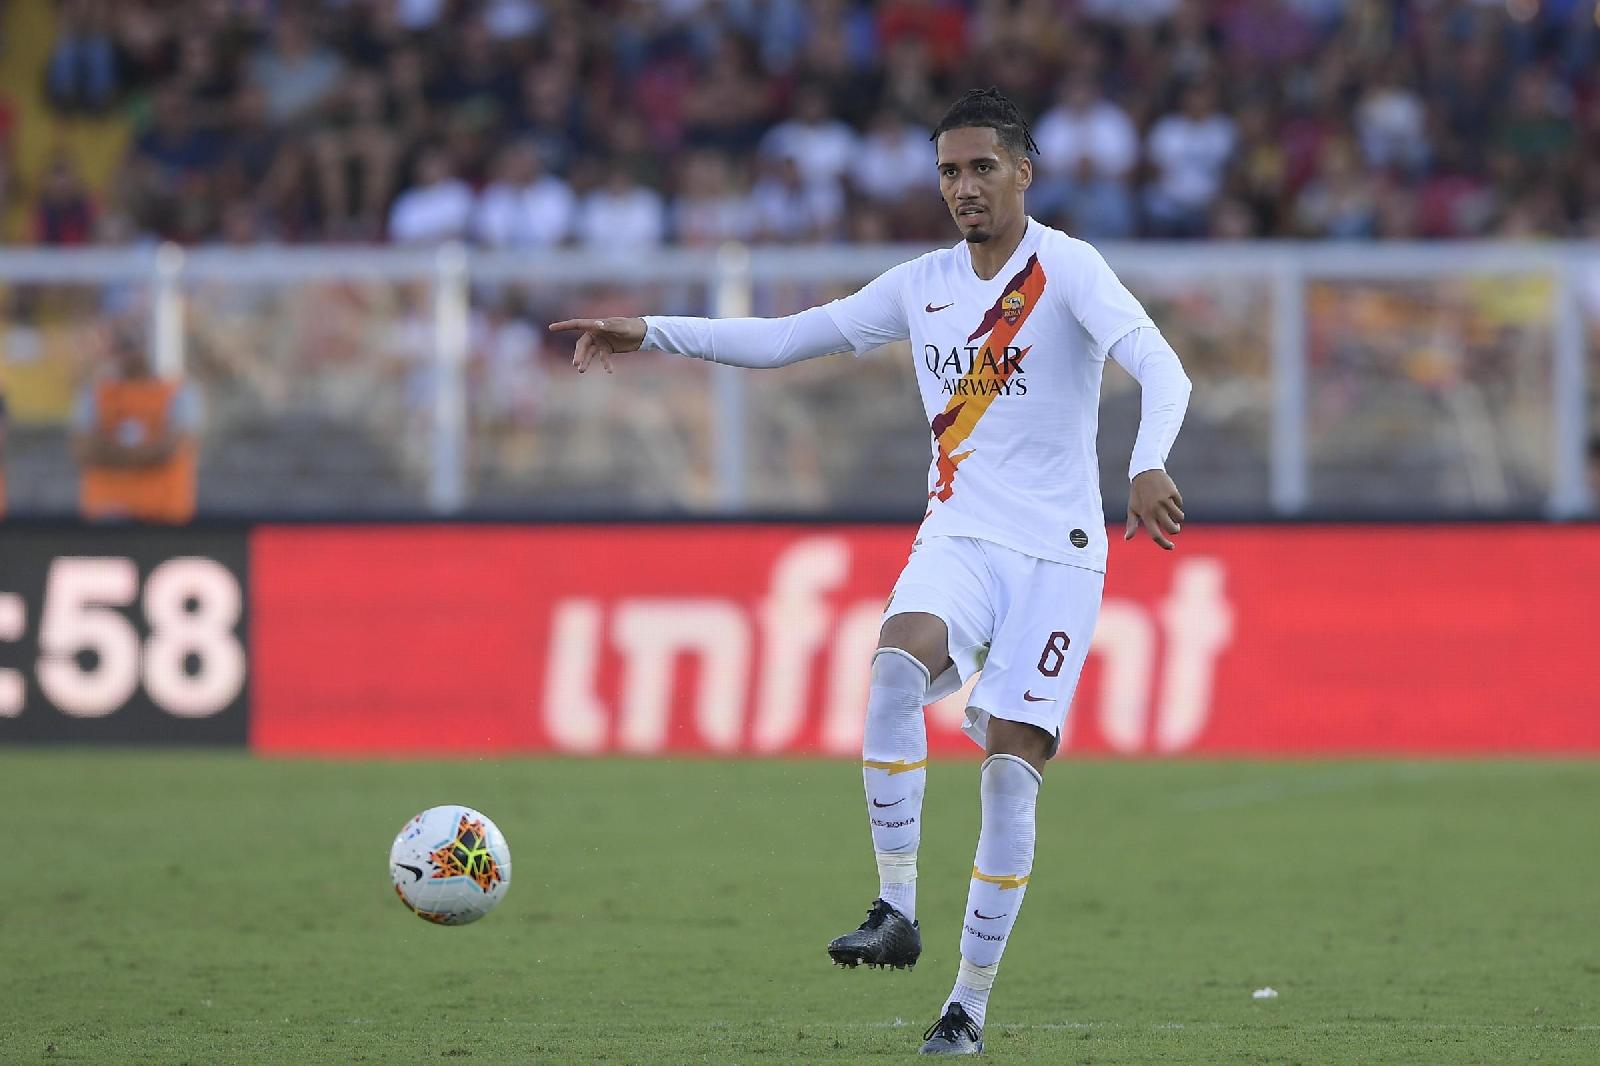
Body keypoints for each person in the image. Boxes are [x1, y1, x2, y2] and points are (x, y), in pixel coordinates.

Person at [550, 87, 1192, 1056]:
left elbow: (1164, 368)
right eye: (948, 171)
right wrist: (653, 329)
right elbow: (782, 339)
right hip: (960, 537)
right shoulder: (919, 283)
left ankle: (967, 1006)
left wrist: (1147, 460)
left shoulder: (1070, 270)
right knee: (893, 666)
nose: (963, 187)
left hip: (1058, 558)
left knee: (1009, 776)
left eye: (982, 167)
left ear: (1024, 172)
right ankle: (896, 907)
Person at [72, 322, 201, 524]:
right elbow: (83, 449)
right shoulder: (96, 392)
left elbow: (171, 447)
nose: (128, 354)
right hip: (106, 513)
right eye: (122, 345)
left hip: (165, 513)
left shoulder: (178, 392)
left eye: (133, 344)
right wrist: (145, 453)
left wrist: (111, 453)